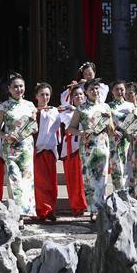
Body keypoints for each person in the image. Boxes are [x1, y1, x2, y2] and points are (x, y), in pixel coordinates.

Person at [66, 79, 115, 219]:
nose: (95, 91)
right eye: (91, 89)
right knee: (89, 178)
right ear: (86, 92)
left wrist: (109, 121)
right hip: (87, 147)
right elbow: (71, 128)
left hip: (102, 145)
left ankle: (102, 209)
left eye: (97, 89)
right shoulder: (81, 108)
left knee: (103, 178)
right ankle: (93, 210)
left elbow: (111, 130)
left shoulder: (105, 107)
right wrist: (81, 133)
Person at [0, 73, 38, 219]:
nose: (19, 89)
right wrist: (6, 136)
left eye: (21, 86)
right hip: (11, 147)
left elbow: (35, 127)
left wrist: (28, 128)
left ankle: (27, 211)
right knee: (14, 178)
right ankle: (17, 213)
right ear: (9, 89)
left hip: (26, 145)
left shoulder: (30, 105)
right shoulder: (4, 106)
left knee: (27, 178)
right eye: (15, 87)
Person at [57, 87, 89, 217]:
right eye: (75, 95)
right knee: (74, 178)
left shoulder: (91, 110)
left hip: (88, 146)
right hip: (73, 146)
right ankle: (77, 206)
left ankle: (89, 204)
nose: (79, 97)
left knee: (87, 178)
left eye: (81, 94)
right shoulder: (66, 113)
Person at [33, 82, 60, 222]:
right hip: (37, 149)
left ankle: (51, 209)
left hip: (50, 149)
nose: (45, 97)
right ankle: (42, 209)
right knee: (40, 182)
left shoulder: (54, 110)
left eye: (47, 94)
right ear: (36, 96)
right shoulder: (31, 110)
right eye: (42, 94)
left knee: (51, 182)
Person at [107, 80, 133, 192]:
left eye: (121, 89)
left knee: (127, 165)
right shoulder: (107, 106)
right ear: (112, 91)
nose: (119, 91)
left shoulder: (130, 105)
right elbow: (104, 123)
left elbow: (135, 122)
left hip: (127, 139)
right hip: (113, 139)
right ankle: (118, 193)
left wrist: (128, 131)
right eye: (116, 89)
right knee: (116, 166)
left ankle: (127, 193)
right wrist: (112, 131)